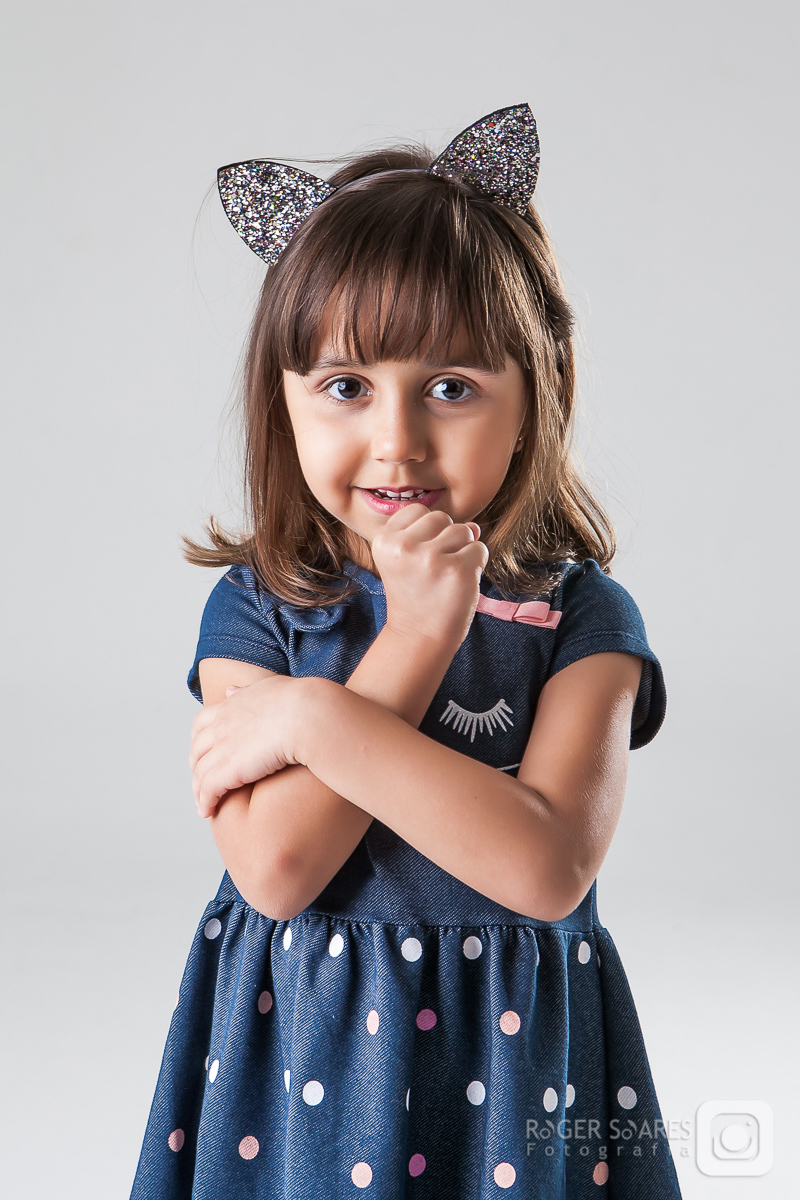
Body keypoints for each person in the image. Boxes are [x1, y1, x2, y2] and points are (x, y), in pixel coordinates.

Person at [130, 106, 683, 1198]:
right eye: (345, 386)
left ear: (538, 394)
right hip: (305, 1053)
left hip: (514, 1063)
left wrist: (314, 719)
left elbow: (543, 868)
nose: (396, 439)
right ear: (281, 405)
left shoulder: (583, 621)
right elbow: (278, 872)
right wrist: (415, 641)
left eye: (451, 387)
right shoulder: (259, 613)